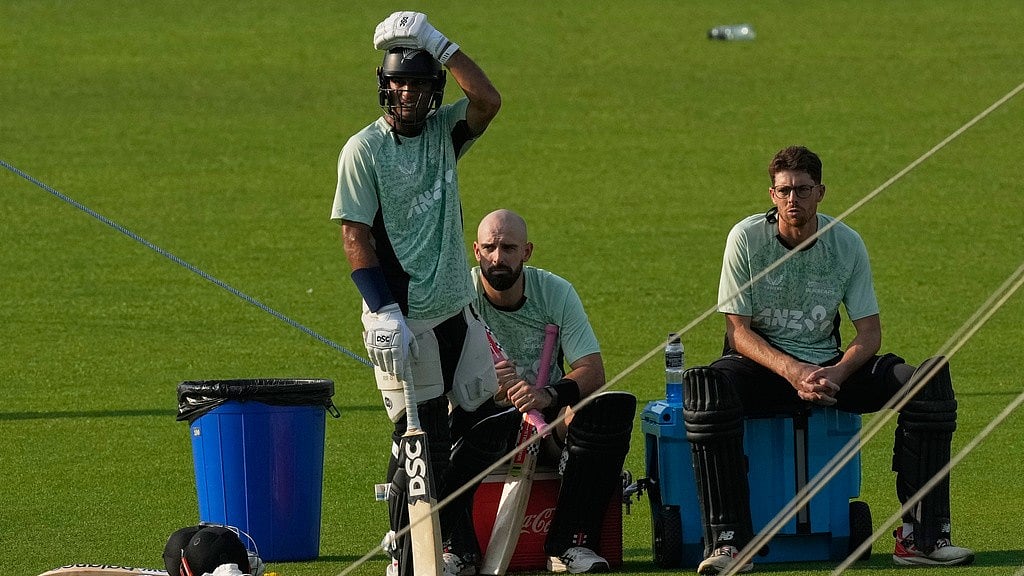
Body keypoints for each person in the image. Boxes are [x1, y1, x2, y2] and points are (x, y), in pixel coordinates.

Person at [682, 145, 974, 574]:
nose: (792, 200)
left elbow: (869, 333)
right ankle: (729, 543)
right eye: (783, 191)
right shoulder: (745, 238)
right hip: (763, 368)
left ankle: (922, 537)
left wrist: (836, 372)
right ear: (771, 194)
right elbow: (737, 331)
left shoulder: (846, 243)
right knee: (706, 391)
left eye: (802, 190)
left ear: (821, 192)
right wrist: (793, 370)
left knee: (927, 384)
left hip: (828, 367)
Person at [330, 11, 503, 576]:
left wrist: (439, 44)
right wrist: (380, 308)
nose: (408, 94)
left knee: (487, 421)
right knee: (423, 446)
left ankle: (435, 539)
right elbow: (355, 234)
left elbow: (488, 101)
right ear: (384, 86)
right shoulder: (363, 151)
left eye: (421, 84)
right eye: (400, 82)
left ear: (434, 92)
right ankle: (410, 560)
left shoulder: (443, 135)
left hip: (457, 310)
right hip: (403, 322)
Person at [469, 209, 636, 573]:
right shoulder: (460, 296)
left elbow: (593, 370)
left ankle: (570, 544)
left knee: (606, 409)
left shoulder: (555, 292)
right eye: (490, 247)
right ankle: (458, 548)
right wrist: (482, 384)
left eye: (509, 248)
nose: (499, 258)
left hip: (545, 422)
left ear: (527, 252)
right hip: (483, 419)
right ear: (476, 251)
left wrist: (547, 397)